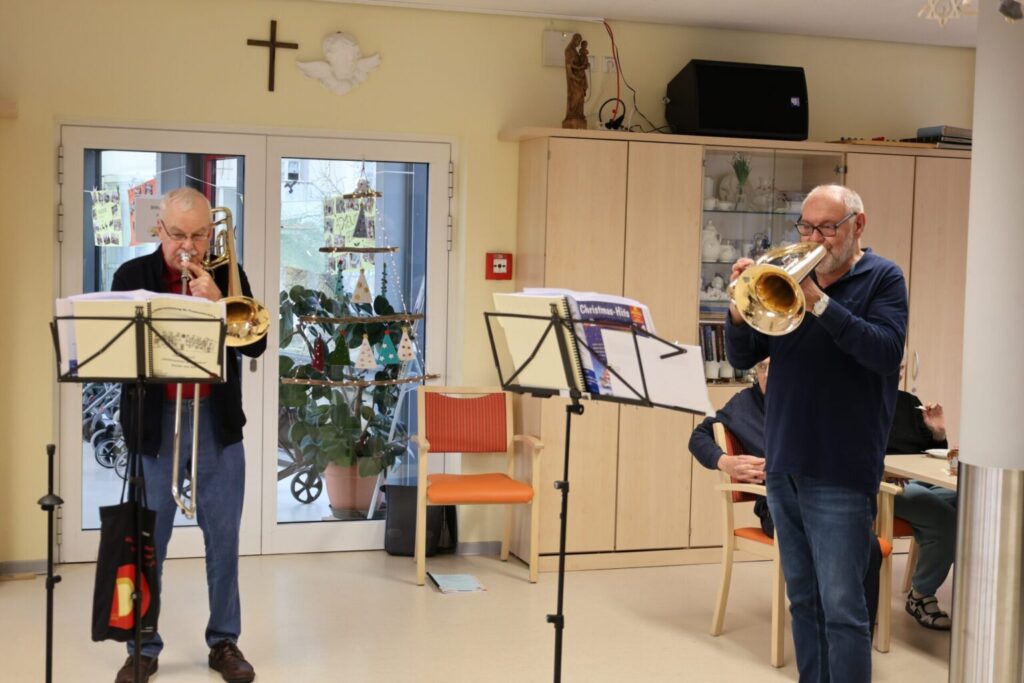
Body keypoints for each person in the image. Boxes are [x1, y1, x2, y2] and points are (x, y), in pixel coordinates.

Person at [725, 184, 908, 683]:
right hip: (785, 461)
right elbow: (742, 356)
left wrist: (820, 304)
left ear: (857, 225)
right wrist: (739, 309)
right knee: (803, 600)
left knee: (843, 609)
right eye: (806, 226)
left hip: (840, 467)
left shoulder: (883, 278)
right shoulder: (787, 275)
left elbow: (884, 352)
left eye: (827, 227)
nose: (814, 238)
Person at [112, 187, 265, 683]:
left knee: (223, 540)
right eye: (178, 234)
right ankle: (143, 646)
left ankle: (224, 642)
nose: (188, 246)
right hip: (155, 427)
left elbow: (256, 345)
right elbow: (117, 360)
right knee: (147, 542)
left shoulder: (227, 274)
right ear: (159, 229)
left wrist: (219, 304)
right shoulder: (131, 277)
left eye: (199, 235)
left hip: (215, 425)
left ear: (211, 233)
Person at [687, 358, 884, 636]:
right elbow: (698, 436)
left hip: (821, 498)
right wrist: (725, 462)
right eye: (762, 367)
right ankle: (828, 634)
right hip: (777, 506)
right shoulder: (744, 403)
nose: (768, 374)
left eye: (776, 366)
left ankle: (857, 638)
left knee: (867, 545)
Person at [888, 359, 957, 630]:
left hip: (920, 479)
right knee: (945, 519)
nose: (897, 372)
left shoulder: (909, 402)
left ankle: (975, 588)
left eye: (901, 367)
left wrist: (938, 433)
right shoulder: (859, 400)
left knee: (971, 503)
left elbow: (931, 450)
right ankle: (920, 596)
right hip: (887, 483)